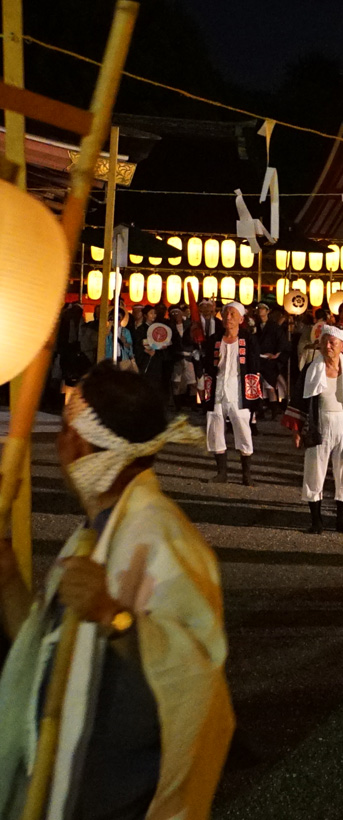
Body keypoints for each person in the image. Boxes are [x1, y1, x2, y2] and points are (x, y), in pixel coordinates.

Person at [0, 362, 232, 817]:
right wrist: (8, 579)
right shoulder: (96, 533)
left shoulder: (162, 538)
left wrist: (116, 618)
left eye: (64, 431)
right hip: (62, 780)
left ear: (81, 444)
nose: (60, 445)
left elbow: (197, 681)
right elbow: (50, 653)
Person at [295, 325, 343, 535]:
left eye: (332, 343)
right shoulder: (311, 369)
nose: (327, 346)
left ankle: (342, 520)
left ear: (342, 346)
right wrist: (298, 429)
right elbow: (299, 399)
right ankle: (316, 521)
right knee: (314, 471)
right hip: (318, 423)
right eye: (324, 342)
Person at [200, 302, 261, 486]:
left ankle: (246, 474)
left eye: (233, 314)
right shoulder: (214, 339)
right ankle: (221, 473)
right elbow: (207, 364)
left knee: (242, 427)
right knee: (215, 425)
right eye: (226, 313)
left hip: (239, 389)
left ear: (241, 319)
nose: (228, 317)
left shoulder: (248, 340)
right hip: (218, 387)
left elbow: (254, 365)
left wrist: (253, 394)